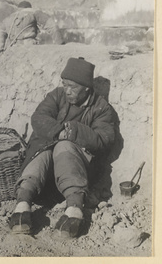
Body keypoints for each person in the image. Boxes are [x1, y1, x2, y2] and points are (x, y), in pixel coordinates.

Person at [9, 57, 116, 238]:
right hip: (46, 171)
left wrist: (73, 132)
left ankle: (74, 209)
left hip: (77, 171)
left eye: (72, 87)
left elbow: (103, 139)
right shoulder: (57, 95)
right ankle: (23, 203)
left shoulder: (101, 108)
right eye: (64, 85)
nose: (67, 91)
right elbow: (39, 118)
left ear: (87, 90)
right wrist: (60, 132)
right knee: (43, 151)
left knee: (64, 147)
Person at [0, 1, 64, 58]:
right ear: (29, 7)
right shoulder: (34, 12)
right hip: (29, 50)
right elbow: (52, 26)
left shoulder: (9, 18)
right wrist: (60, 43)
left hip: (12, 51)